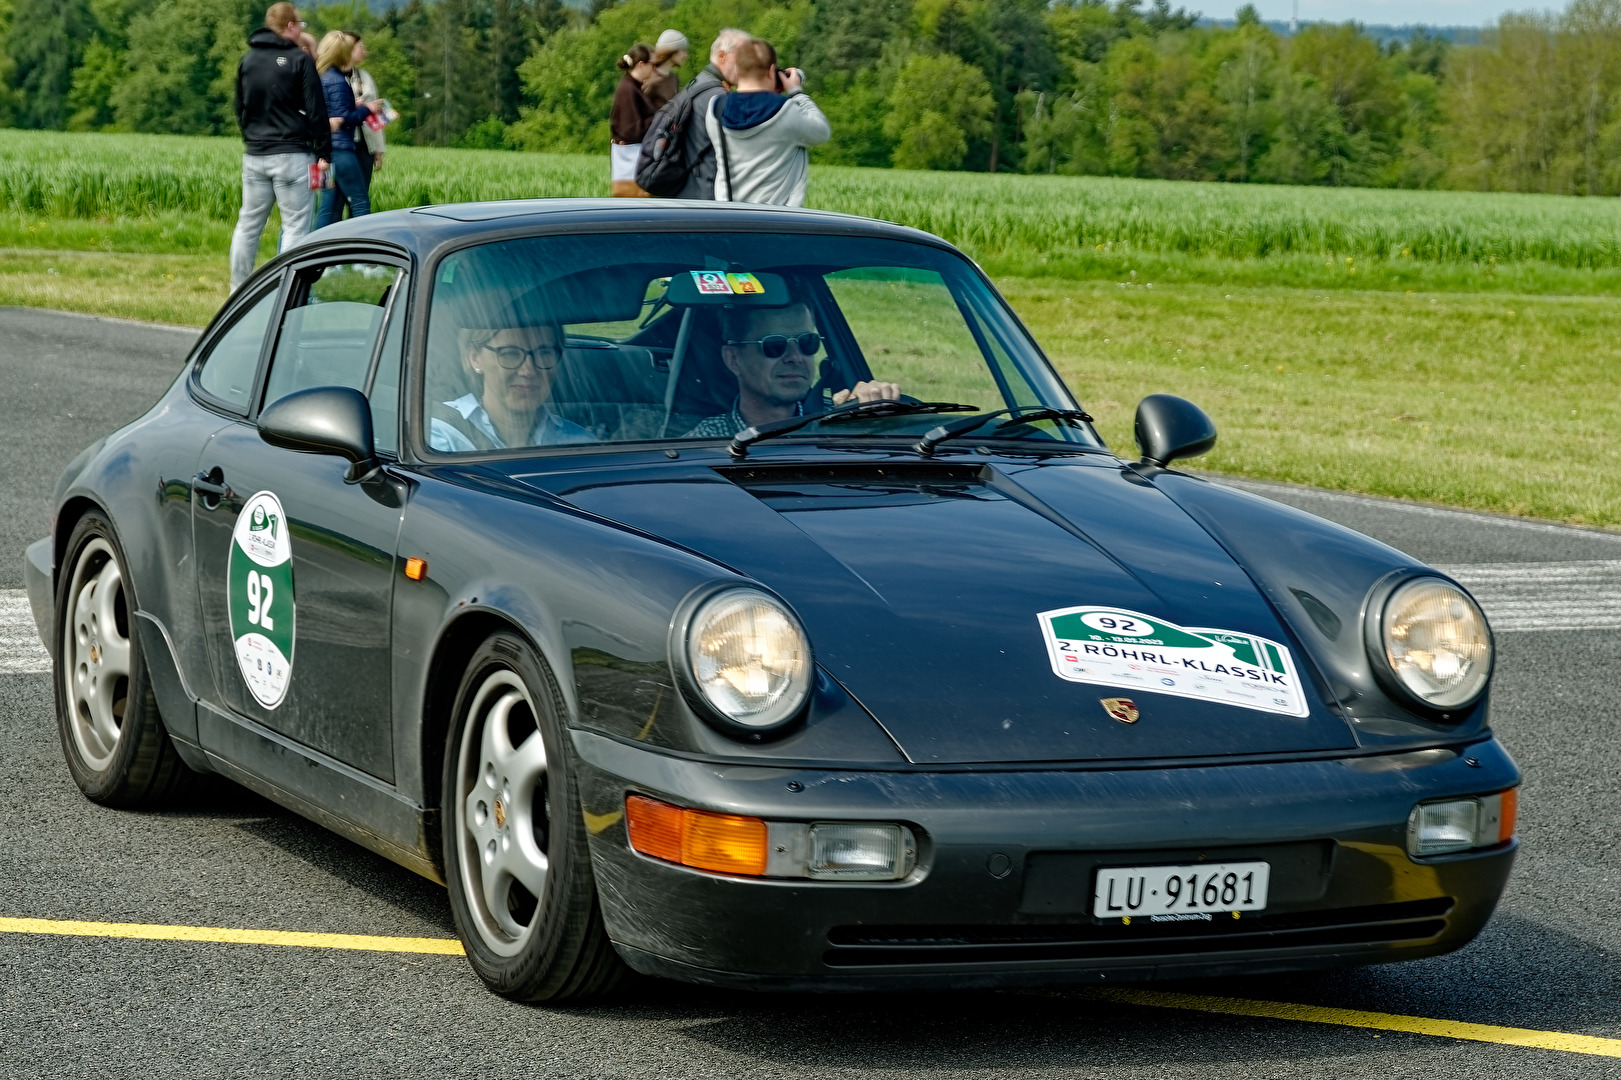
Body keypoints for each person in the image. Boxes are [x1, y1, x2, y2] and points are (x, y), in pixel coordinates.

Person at [228, 3, 330, 292]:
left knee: (248, 226)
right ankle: (287, 292)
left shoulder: (248, 60)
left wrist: (251, 137)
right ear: (290, 27)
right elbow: (316, 109)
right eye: (300, 25)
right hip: (294, 154)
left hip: (255, 154)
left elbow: (240, 106)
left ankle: (236, 289)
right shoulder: (300, 60)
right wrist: (324, 152)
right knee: (296, 227)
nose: (301, 30)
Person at [685, 303, 900, 438]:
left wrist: (879, 418)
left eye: (807, 343)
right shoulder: (703, 443)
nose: (795, 357)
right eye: (774, 345)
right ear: (733, 359)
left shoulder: (837, 422)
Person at [429, 317, 593, 452]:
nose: (528, 371)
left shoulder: (581, 442)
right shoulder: (438, 436)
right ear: (475, 358)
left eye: (544, 354)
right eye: (510, 354)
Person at [706, 39, 829, 207]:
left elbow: (749, 108)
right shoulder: (786, 111)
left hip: (729, 217)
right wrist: (796, 92)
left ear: (737, 69)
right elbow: (822, 132)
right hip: (775, 220)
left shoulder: (715, 108)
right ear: (771, 71)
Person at [670, 27, 749, 201]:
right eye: (742, 57)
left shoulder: (697, 84)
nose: (747, 64)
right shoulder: (717, 97)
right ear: (722, 56)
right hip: (705, 196)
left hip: (688, 191)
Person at [314, 31, 381, 229]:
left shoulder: (321, 77)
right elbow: (345, 117)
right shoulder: (337, 81)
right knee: (360, 202)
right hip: (342, 149)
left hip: (326, 151)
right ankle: (361, 256)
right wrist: (366, 109)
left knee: (329, 206)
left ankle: (321, 254)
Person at [610, 44, 657, 197]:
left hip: (634, 165)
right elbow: (629, 130)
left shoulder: (633, 87)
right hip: (630, 168)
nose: (654, 69)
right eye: (652, 64)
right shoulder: (628, 90)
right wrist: (658, 119)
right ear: (641, 64)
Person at [345, 32, 386, 193]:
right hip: (345, 141)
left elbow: (376, 116)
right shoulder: (331, 75)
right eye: (361, 47)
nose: (365, 51)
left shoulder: (365, 77)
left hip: (365, 143)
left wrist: (378, 149)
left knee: (362, 191)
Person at [643, 29, 689, 109]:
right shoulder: (651, 81)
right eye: (683, 50)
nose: (685, 55)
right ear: (672, 51)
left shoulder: (673, 78)